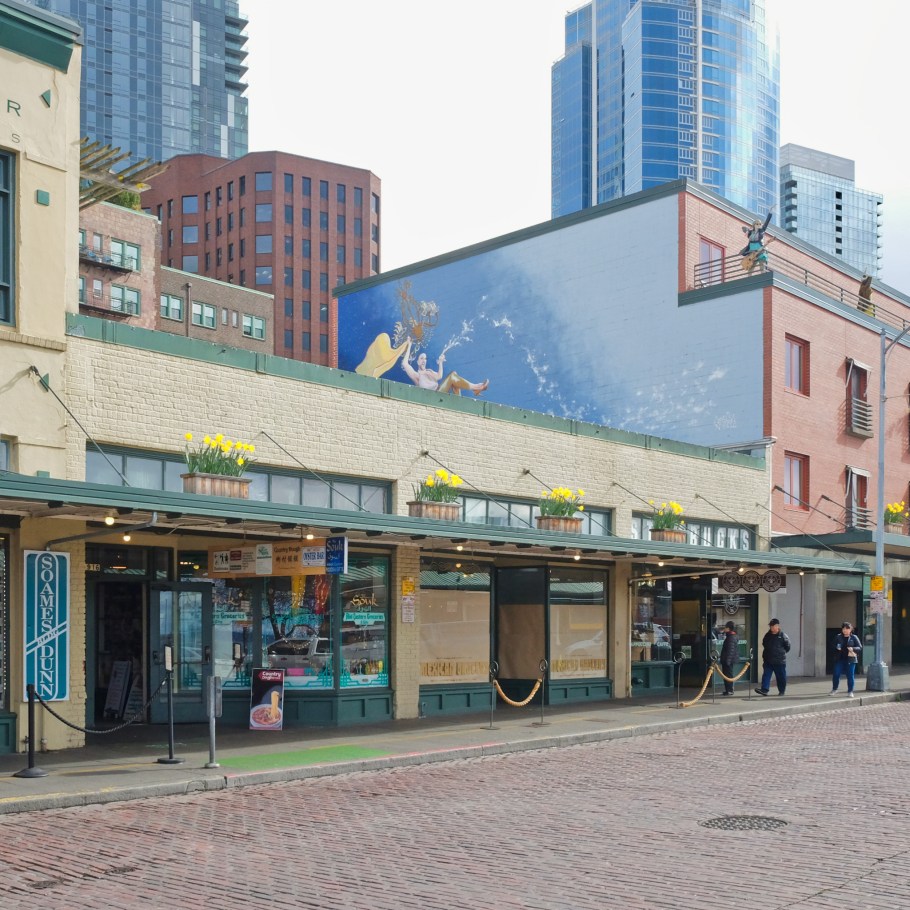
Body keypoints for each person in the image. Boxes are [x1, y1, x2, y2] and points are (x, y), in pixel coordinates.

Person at [401, 337, 489, 396]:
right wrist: (409, 345)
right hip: (434, 396)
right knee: (452, 377)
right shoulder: (417, 375)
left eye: (425, 358)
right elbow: (405, 364)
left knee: (454, 374)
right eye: (421, 358)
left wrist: (441, 363)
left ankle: (458, 398)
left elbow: (439, 376)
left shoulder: (429, 371)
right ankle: (476, 387)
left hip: (439, 390)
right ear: (417, 362)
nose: (424, 360)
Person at [755, 617, 791, 696]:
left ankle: (782, 691)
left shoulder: (783, 636)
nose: (771, 627)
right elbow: (764, 644)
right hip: (768, 660)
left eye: (773, 626)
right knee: (766, 675)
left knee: (781, 677)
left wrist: (780, 653)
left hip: (779, 661)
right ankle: (764, 690)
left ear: (777, 626)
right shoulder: (767, 635)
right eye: (770, 626)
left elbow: (788, 647)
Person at [829, 621, 863, 698]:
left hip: (850, 659)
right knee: (836, 674)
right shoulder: (838, 637)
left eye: (847, 629)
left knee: (850, 675)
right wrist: (836, 648)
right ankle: (834, 689)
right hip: (840, 659)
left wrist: (853, 648)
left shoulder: (854, 637)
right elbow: (832, 646)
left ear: (851, 630)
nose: (845, 630)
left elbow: (860, 647)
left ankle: (850, 691)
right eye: (844, 628)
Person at [739, 209, 774, 274]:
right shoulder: (750, 232)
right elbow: (743, 228)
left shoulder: (761, 231)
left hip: (759, 250)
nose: (758, 225)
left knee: (762, 267)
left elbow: (766, 223)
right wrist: (747, 230)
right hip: (752, 252)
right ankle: (749, 280)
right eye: (757, 224)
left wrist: (770, 213)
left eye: (759, 224)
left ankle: (763, 277)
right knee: (750, 269)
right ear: (754, 225)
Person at [720, 620, 738, 696]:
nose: (725, 629)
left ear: (729, 628)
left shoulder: (731, 637)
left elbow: (731, 650)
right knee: (726, 675)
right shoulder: (730, 636)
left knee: (728, 675)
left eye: (726, 627)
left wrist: (727, 661)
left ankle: (730, 690)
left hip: (728, 660)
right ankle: (728, 689)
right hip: (727, 659)